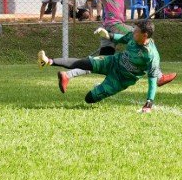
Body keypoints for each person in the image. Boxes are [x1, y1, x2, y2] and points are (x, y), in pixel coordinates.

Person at [38, 19, 174, 112]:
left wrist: (149, 103)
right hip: (113, 62)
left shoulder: (151, 56)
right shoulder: (133, 37)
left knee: (89, 99)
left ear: (145, 35)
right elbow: (123, 38)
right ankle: (48, 61)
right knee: (85, 63)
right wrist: (109, 35)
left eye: (136, 31)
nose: (133, 32)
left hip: (121, 80)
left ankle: (99, 88)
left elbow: (152, 80)